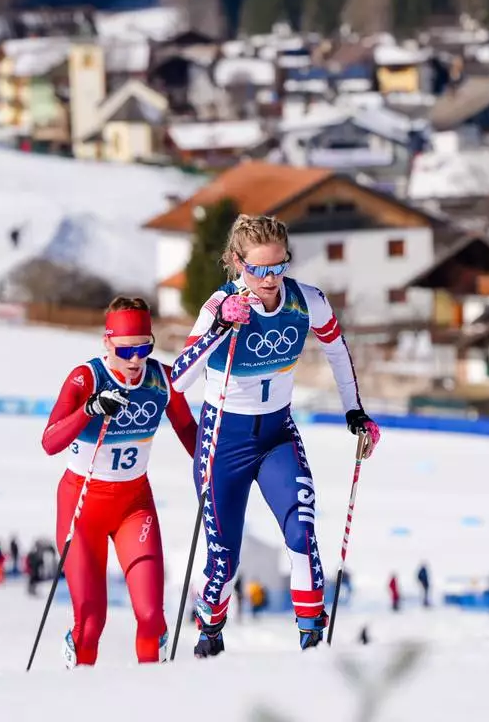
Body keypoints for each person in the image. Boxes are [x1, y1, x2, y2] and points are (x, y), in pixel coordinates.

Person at [170, 214, 381, 657]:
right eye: (258, 270)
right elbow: (180, 379)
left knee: (302, 533)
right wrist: (219, 328)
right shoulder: (218, 304)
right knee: (223, 560)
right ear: (236, 262)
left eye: (278, 266)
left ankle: (311, 640)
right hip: (223, 441)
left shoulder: (307, 301)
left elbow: (338, 352)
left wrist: (354, 412)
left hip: (276, 435)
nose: (270, 280)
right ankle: (210, 629)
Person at [41, 296, 198, 667]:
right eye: (125, 350)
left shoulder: (161, 380)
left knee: (150, 616)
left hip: (133, 505)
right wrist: (89, 409)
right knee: (91, 622)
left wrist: (216, 467)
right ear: (107, 343)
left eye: (144, 347)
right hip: (82, 503)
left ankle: (150, 700)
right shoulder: (86, 378)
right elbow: (49, 442)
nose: (134, 359)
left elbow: (190, 432)